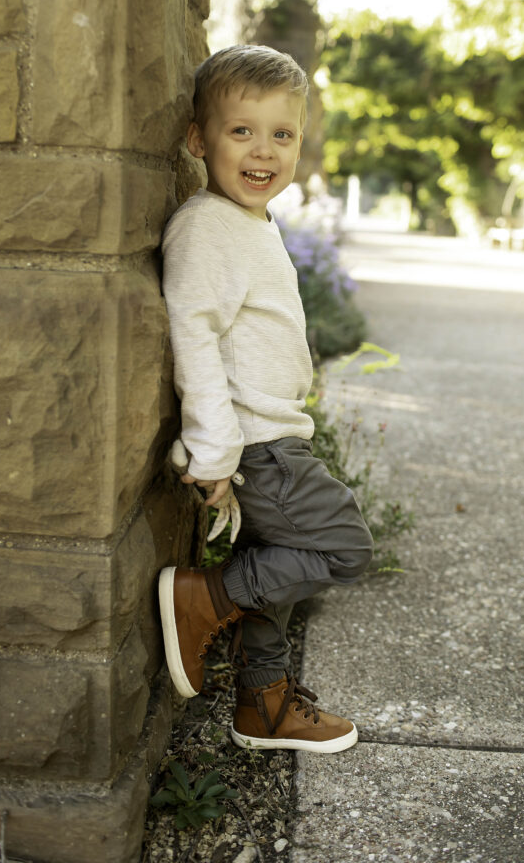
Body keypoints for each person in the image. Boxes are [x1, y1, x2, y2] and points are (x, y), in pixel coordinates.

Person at [159, 44, 373, 753]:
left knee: (273, 588)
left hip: (269, 440)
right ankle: (204, 598)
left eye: (281, 134)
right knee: (342, 547)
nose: (263, 151)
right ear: (198, 139)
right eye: (241, 131)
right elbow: (194, 336)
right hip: (260, 449)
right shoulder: (208, 227)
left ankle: (264, 707)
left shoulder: (244, 222)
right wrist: (217, 451)